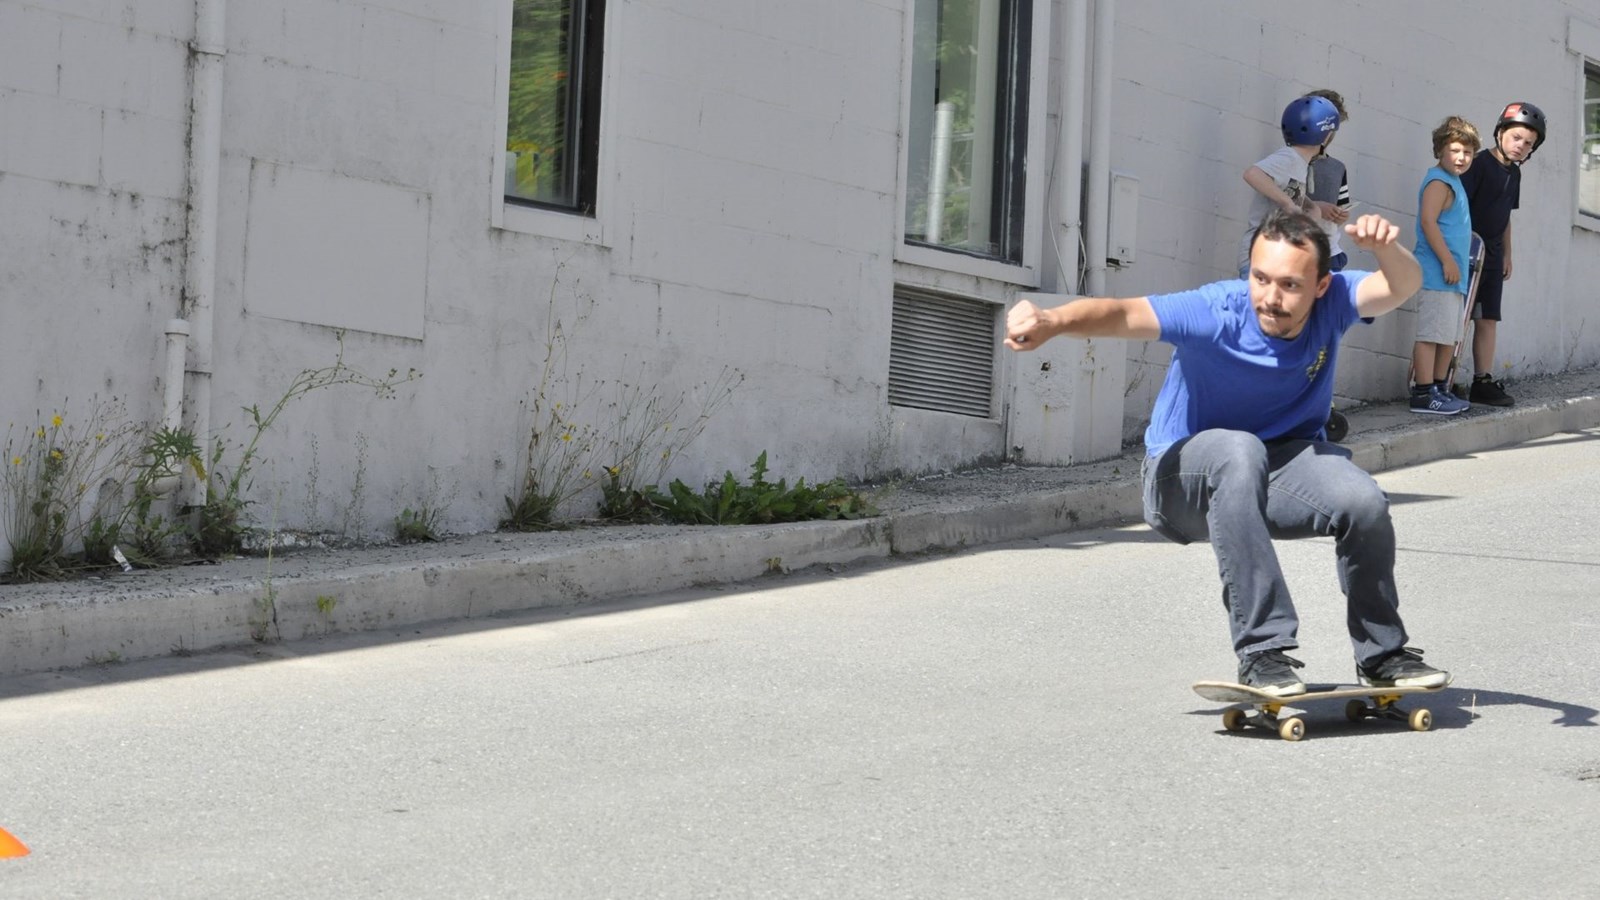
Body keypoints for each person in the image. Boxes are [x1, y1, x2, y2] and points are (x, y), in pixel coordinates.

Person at [1005, 210, 1449, 697]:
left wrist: (1385, 249)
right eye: (1260, 279)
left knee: (1362, 501)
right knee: (1239, 450)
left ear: (1321, 287)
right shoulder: (1216, 311)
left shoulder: (1336, 302)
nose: (1270, 298)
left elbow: (1402, 285)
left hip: (1279, 469)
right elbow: (1124, 314)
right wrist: (1053, 320)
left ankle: (1383, 655)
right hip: (1181, 482)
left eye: (1289, 285)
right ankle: (1263, 652)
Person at [1457, 101, 1547, 406]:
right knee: (1459, 316)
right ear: (1500, 133)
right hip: (1469, 251)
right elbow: (1459, 208)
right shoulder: (1479, 165)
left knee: (1487, 318)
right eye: (1516, 138)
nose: (1521, 146)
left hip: (1493, 256)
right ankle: (1442, 378)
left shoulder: (1515, 174)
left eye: (1528, 143)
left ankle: (1482, 381)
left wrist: (1508, 254)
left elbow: (1506, 215)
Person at [1408, 116, 1482, 415]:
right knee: (1431, 334)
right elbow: (1428, 222)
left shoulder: (1454, 182)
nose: (1461, 157)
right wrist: (1448, 260)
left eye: (1468, 152)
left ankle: (1439, 388)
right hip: (1438, 272)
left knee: (1448, 336)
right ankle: (1423, 393)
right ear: (1440, 150)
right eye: (1455, 150)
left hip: (1453, 277)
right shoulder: (1438, 182)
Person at [1237, 95, 1347, 278]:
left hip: (1273, 258)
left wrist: (1310, 206)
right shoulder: (1290, 157)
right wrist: (1288, 204)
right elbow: (1252, 174)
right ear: (1326, 135)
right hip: (1260, 258)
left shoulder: (1299, 162)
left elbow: (1286, 188)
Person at [1304, 90, 1355, 272]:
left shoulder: (1337, 168)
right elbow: (1276, 205)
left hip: (1329, 254)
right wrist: (1315, 207)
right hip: (1295, 249)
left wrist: (1339, 216)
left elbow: (1341, 209)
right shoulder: (1288, 161)